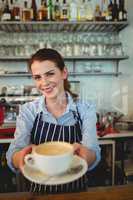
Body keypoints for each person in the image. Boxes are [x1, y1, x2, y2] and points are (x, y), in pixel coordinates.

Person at [6, 48, 101, 194]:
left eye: (50, 74)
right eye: (37, 77)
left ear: (64, 73)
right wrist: (20, 157)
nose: (44, 82)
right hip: (39, 193)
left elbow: (94, 153)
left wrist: (85, 154)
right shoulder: (28, 110)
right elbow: (13, 154)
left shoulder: (85, 109)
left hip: (77, 193)